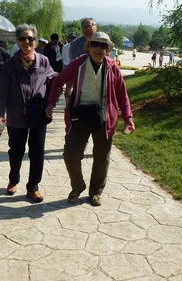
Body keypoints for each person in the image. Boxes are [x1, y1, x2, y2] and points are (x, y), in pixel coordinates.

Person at [46, 31, 135, 207]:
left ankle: (96, 192)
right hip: (80, 116)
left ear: (107, 49)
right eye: (95, 44)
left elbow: (122, 94)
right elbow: (58, 80)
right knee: (70, 154)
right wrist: (51, 103)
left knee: (102, 157)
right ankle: (78, 186)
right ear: (89, 47)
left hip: (104, 118)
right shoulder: (78, 63)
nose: (98, 48)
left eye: (102, 45)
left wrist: (128, 118)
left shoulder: (112, 67)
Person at [0, 24, 57, 203]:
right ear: (18, 41)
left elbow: (52, 76)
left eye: (30, 38)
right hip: (16, 115)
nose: (27, 42)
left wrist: (57, 84)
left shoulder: (43, 61)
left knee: (37, 151)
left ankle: (33, 187)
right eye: (23, 38)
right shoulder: (9, 64)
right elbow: (1, 94)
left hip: (38, 114)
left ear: (36, 42)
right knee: (16, 150)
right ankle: (13, 179)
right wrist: (0, 119)